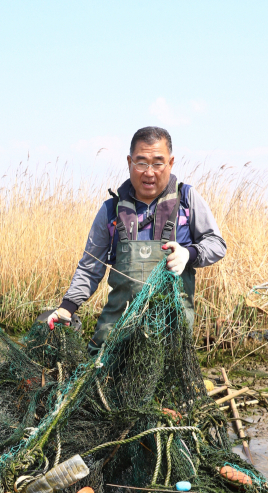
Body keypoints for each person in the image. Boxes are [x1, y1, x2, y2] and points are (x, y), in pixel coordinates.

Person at [47, 126, 226, 353]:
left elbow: (216, 244)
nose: (149, 172)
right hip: (116, 333)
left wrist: (188, 254)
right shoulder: (111, 209)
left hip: (170, 334)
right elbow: (90, 267)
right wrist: (66, 308)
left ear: (170, 164)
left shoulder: (187, 200)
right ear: (130, 162)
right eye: (141, 163)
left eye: (158, 163)